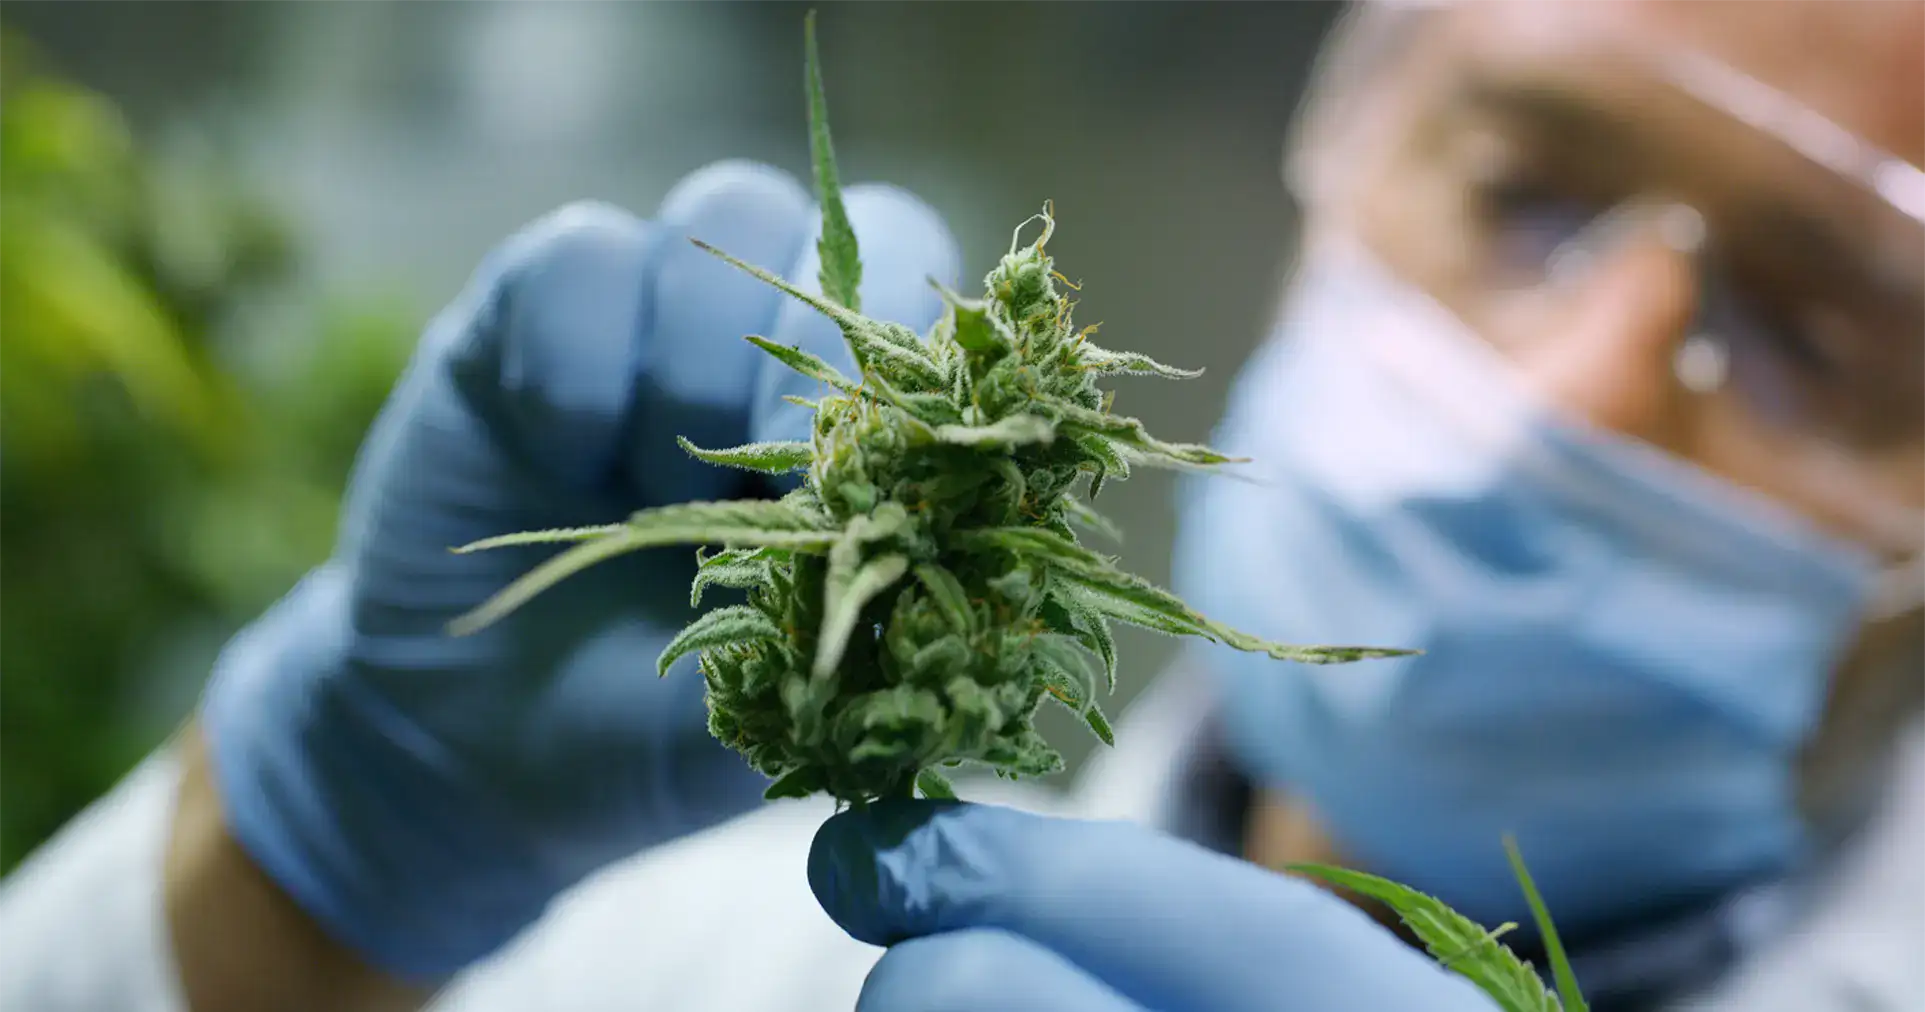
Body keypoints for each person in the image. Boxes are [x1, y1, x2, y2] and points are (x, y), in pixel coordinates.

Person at [5, 0, 1925, 1007]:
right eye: (1523, 193)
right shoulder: (680, 951)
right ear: (1344, 165)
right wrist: (289, 895)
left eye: (1821, 332)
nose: (1573, 389)